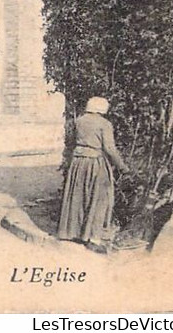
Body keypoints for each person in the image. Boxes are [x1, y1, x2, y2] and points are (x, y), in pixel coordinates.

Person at [58, 96, 129, 251]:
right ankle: (94, 239)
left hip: (78, 163)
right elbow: (110, 149)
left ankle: (73, 232)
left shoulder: (79, 121)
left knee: (77, 197)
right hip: (95, 163)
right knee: (99, 199)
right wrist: (123, 167)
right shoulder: (105, 124)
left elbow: (70, 143)